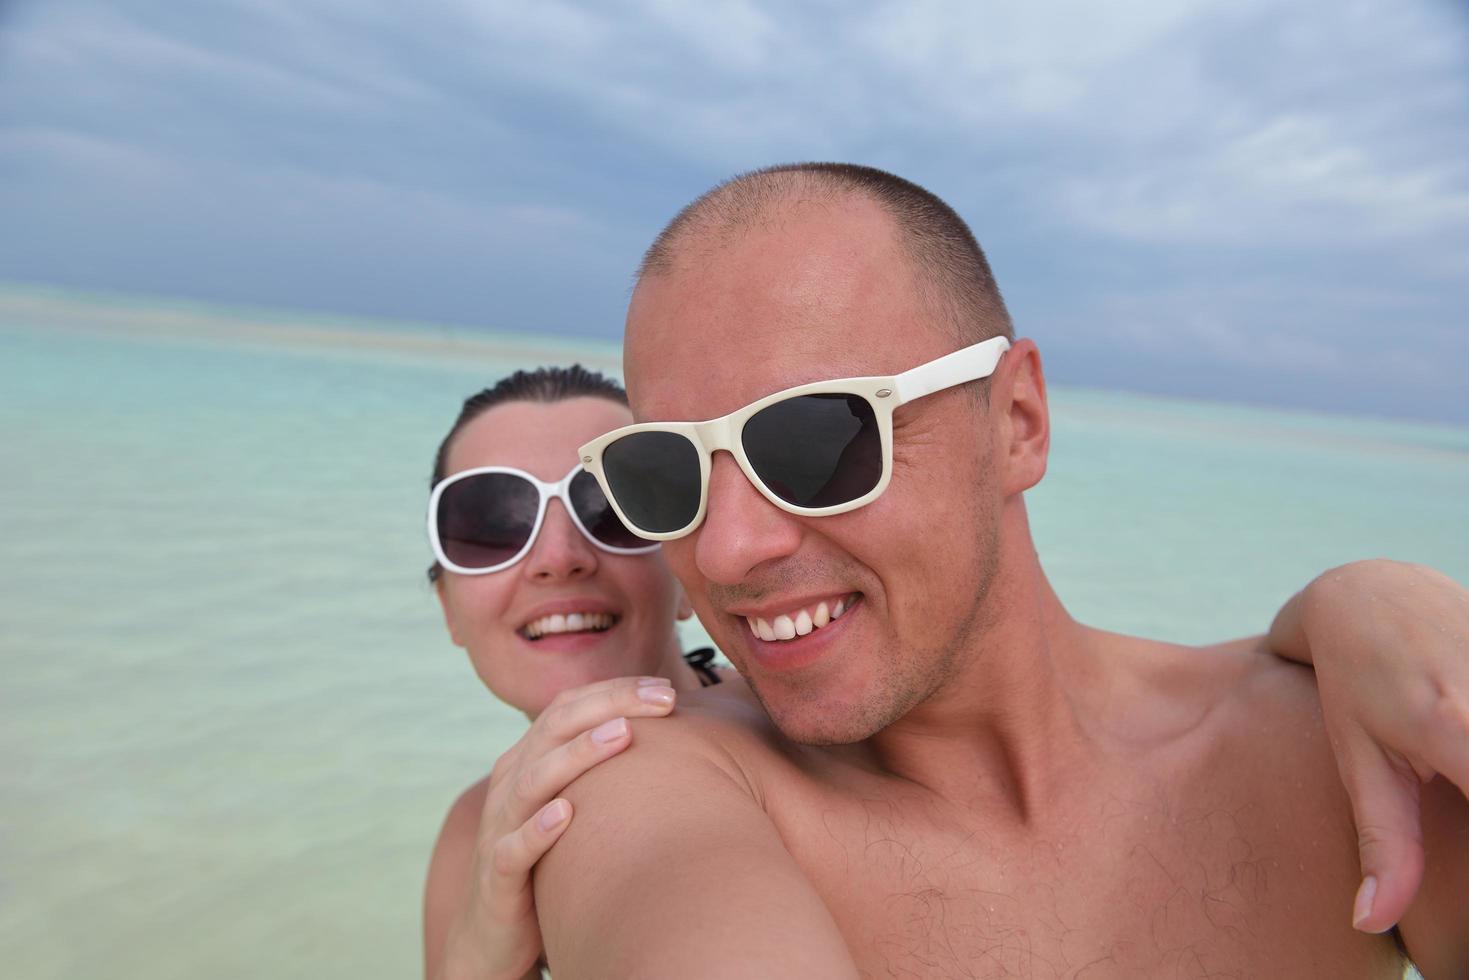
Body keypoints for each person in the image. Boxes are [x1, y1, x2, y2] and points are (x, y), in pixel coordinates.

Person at [529, 164, 1469, 978]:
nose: (729, 549)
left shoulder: (1346, 754)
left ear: (1016, 420)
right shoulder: (642, 784)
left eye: (816, 440)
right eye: (663, 473)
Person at [422, 366, 1467, 979]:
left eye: (619, 500)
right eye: (488, 521)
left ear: (690, 560)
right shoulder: (478, 830)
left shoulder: (827, 719)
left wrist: (1353, 600)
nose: (556, 554)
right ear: (443, 601)